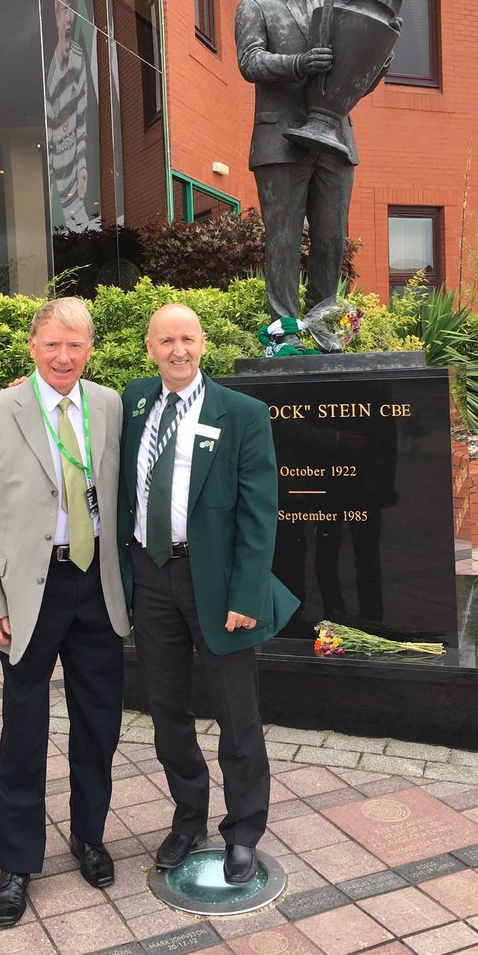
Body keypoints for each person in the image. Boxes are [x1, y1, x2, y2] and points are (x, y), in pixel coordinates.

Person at [0, 297, 129, 927]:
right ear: (32, 345)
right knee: (24, 733)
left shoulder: (110, 406)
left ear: (90, 349)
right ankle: (17, 863)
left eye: (76, 346)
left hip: (97, 589)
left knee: (98, 726)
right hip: (30, 593)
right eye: (53, 344)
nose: (64, 357)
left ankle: (89, 836)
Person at [118, 303, 299, 884]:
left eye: (188, 339)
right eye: (166, 340)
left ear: (203, 344)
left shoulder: (242, 413)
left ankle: (244, 830)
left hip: (217, 583)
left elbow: (259, 513)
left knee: (235, 713)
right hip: (150, 577)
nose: (178, 350)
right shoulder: (131, 402)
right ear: (150, 348)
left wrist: (247, 593)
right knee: (167, 709)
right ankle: (188, 817)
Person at [235, 0, 353, 325]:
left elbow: (353, 75)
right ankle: (284, 328)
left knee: (331, 240)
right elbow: (250, 62)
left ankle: (323, 325)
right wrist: (298, 63)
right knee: (283, 241)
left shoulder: (340, 11)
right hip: (280, 140)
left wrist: (376, 55)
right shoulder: (256, 6)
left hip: (335, 140)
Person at [45, 0, 96, 231]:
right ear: (56, 17)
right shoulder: (51, 80)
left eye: (72, 10)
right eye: (64, 10)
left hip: (77, 192)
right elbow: (49, 143)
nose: (69, 18)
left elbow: (82, 123)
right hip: (62, 197)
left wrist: (83, 167)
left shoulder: (78, 60)